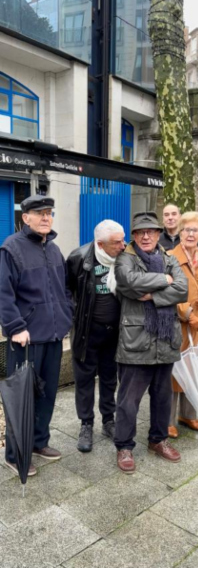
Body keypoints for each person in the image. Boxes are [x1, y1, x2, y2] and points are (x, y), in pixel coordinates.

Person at [1, 195, 73, 474]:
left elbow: (64, 288)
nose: (45, 217)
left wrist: (66, 314)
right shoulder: (11, 249)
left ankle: (39, 442)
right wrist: (15, 327)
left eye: (49, 213)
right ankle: (15, 454)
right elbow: (3, 293)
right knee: (22, 397)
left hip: (53, 336)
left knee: (47, 395)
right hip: (27, 338)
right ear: (25, 217)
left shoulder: (53, 249)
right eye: (39, 213)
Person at [112, 211, 189, 473]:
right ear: (133, 235)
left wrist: (153, 296)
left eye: (151, 232)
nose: (146, 236)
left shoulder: (169, 258)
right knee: (128, 401)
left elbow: (183, 289)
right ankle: (124, 446)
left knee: (162, 397)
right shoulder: (125, 258)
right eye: (140, 232)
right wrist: (164, 280)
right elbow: (129, 281)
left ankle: (158, 439)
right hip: (136, 340)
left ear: (158, 234)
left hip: (165, 339)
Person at [67, 220, 126, 452]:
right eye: (117, 242)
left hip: (115, 332)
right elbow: (66, 291)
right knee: (84, 380)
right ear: (100, 244)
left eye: (123, 240)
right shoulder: (79, 258)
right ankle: (86, 424)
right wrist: (73, 316)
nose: (123, 245)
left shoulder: (124, 257)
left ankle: (108, 420)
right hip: (87, 332)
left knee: (110, 378)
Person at [167, 212, 198, 438]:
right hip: (177, 324)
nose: (191, 234)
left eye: (195, 230)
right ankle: (167, 420)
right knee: (174, 372)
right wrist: (187, 313)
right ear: (179, 232)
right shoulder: (169, 257)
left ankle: (188, 415)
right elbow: (166, 291)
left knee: (195, 369)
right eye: (187, 230)